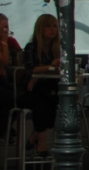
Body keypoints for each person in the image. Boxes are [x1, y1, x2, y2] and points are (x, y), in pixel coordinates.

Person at [20, 14, 61, 157]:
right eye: (48, 26)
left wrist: (40, 74)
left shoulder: (58, 49)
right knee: (41, 103)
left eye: (55, 26)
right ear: (40, 28)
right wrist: (49, 67)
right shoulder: (31, 47)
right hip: (31, 91)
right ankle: (41, 147)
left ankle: (33, 138)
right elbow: (31, 69)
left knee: (55, 102)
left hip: (50, 87)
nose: (52, 29)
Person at [0, 13, 23, 136]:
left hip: (5, 79)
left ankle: (7, 128)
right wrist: (3, 43)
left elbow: (20, 59)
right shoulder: (4, 42)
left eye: (7, 27)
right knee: (7, 96)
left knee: (19, 96)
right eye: (2, 27)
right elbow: (4, 61)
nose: (5, 31)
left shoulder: (11, 41)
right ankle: (5, 130)